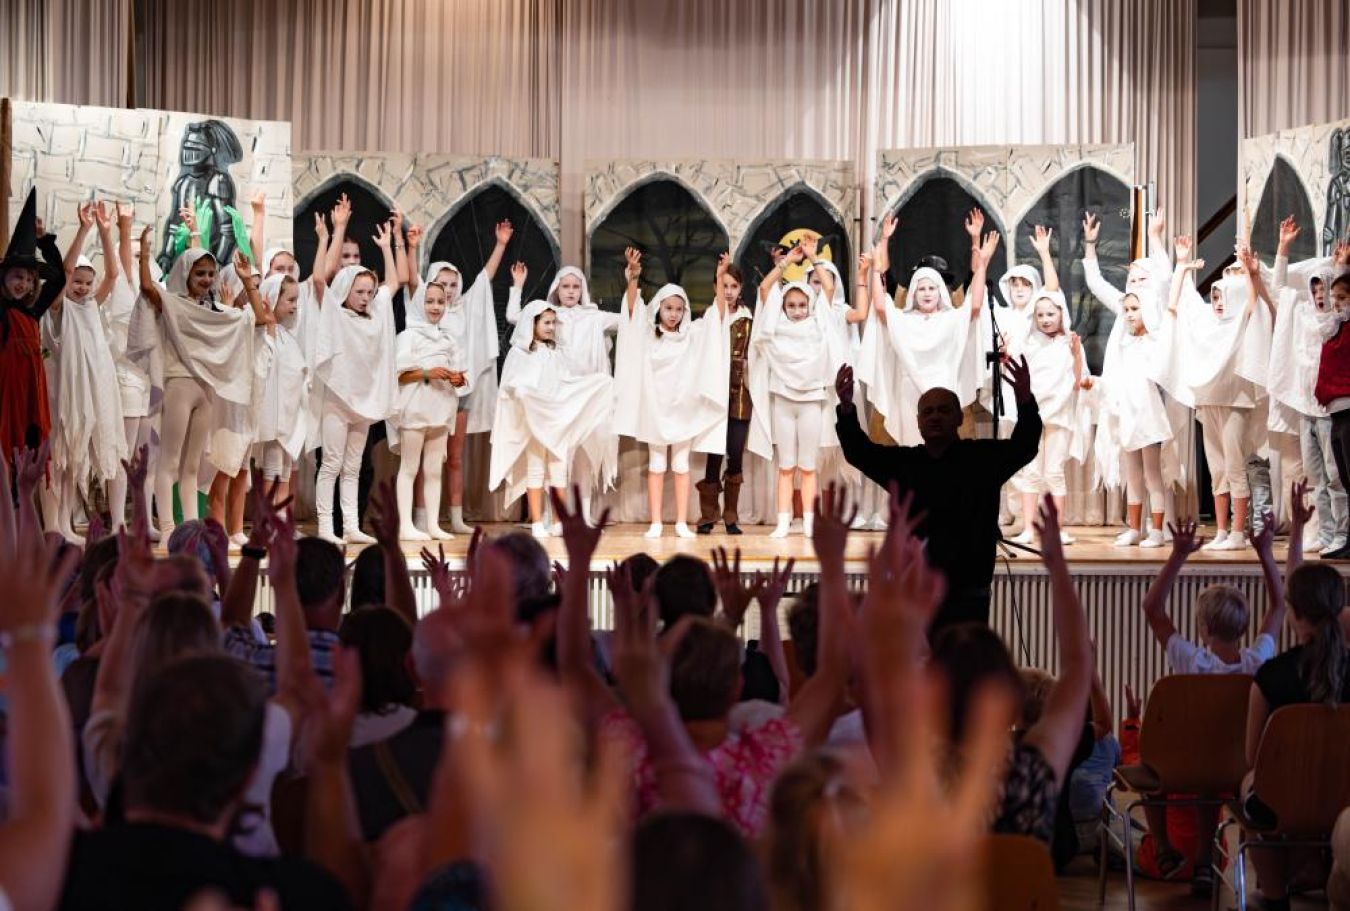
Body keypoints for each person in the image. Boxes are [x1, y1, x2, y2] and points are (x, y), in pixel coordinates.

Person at [834, 355, 1040, 632]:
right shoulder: (906, 465)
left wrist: (1025, 401)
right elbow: (860, 452)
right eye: (928, 412)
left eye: (943, 410)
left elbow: (1025, 445)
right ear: (918, 422)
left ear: (959, 417)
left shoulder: (982, 460)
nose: (935, 417)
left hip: (969, 595)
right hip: (917, 595)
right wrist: (847, 409)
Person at [137, 227, 273, 540]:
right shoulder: (173, 303)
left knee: (192, 467)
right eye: (200, 273)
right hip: (179, 385)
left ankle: (192, 529)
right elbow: (146, 287)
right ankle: (169, 528)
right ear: (186, 272)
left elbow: (259, 319)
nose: (207, 279)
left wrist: (247, 282)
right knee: (169, 461)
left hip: (206, 390)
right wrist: (144, 255)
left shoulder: (215, 310)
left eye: (211, 274)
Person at [748, 235, 868, 537]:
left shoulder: (819, 323)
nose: (798, 309)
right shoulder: (776, 326)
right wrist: (787, 262)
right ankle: (783, 521)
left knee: (807, 466)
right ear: (783, 307)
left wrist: (813, 258)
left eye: (802, 304)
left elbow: (828, 288)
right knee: (786, 465)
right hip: (783, 400)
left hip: (812, 400)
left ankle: (811, 522)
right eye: (791, 305)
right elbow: (765, 289)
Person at [1159, 236, 1273, 551]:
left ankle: (1238, 533)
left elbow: (1253, 305)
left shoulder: (1241, 321)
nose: (1219, 302)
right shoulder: (1207, 322)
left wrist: (1250, 273)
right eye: (1216, 296)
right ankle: (1222, 531)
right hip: (1208, 401)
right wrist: (1182, 264)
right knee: (1217, 469)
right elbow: (1178, 303)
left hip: (1235, 402)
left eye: (1224, 296)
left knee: (1235, 466)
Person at [614, 248, 730, 538]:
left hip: (683, 410)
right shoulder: (647, 334)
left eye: (679, 309)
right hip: (655, 410)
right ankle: (655, 522)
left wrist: (719, 277)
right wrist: (633, 278)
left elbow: (717, 316)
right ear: (659, 308)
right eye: (668, 308)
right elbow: (632, 312)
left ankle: (680, 522)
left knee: (680, 465)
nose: (674, 314)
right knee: (656, 464)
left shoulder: (692, 335)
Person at [403, 220, 508, 534]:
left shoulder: (465, 307)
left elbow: (485, 278)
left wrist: (501, 244)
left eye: (452, 284)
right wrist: (411, 247)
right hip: (425, 390)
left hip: (457, 392)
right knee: (422, 458)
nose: (447, 291)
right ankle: (420, 517)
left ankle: (456, 517)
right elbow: (412, 280)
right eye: (442, 284)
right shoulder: (426, 310)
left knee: (454, 457)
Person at [489, 299, 617, 536]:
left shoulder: (556, 353)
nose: (550, 327)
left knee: (559, 471)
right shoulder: (520, 353)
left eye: (553, 323)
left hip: (555, 423)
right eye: (546, 323)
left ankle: (559, 522)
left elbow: (565, 383)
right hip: (534, 423)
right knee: (536, 468)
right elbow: (510, 386)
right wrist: (522, 392)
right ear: (532, 323)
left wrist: (596, 384)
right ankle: (538, 522)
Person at [312, 219, 404, 544]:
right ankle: (326, 527)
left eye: (369, 292)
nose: (366, 297)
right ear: (346, 290)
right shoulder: (335, 312)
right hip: (338, 400)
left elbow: (395, 282)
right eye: (359, 292)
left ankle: (351, 526)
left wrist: (387, 247)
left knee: (353, 466)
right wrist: (329, 235)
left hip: (363, 401)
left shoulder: (377, 313)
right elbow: (320, 279)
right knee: (331, 464)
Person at [47, 201, 126, 543]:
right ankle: (57, 524)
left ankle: (66, 523)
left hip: (92, 391)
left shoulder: (92, 305)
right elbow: (64, 271)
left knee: (76, 461)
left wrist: (107, 234)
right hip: (66, 391)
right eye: (77, 281)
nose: (82, 287)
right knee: (63, 457)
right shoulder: (59, 307)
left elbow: (113, 275)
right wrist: (83, 230)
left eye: (87, 282)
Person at [1007, 266, 1094, 546]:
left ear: (1061, 314)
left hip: (1060, 415)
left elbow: (1078, 381)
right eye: (1040, 315)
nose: (1045, 319)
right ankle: (1029, 529)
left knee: (1054, 472)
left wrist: (1076, 355)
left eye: (1050, 314)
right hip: (1033, 416)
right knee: (1031, 471)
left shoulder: (1070, 342)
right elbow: (1016, 373)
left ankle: (1056, 529)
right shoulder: (1028, 343)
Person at [391, 278, 469, 540]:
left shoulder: (449, 338)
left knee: (434, 470)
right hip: (415, 409)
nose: (436, 307)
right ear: (418, 304)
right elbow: (399, 374)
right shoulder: (407, 336)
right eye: (429, 301)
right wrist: (427, 372)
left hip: (441, 409)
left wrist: (458, 379)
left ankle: (433, 525)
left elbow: (460, 372)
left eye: (440, 302)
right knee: (409, 467)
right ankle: (405, 525)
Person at [0, 189, 66, 457]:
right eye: (18, 276)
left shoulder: (32, 312)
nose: (24, 284)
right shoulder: (2, 310)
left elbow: (59, 278)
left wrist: (44, 242)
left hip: (30, 398)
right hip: (5, 400)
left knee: (25, 456)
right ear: (4, 277)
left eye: (29, 279)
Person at [694, 255, 755, 534]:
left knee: (735, 453)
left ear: (740, 288)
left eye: (733, 286)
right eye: (723, 285)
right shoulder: (711, 317)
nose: (728, 291)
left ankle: (731, 516)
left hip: (740, 392)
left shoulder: (748, 318)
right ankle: (708, 516)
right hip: (716, 391)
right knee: (714, 453)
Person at [1314, 268, 1350, 559]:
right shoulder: (1336, 327)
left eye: (1342, 298)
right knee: (1345, 480)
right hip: (1336, 411)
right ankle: (1347, 538)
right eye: (1334, 297)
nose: (1335, 303)